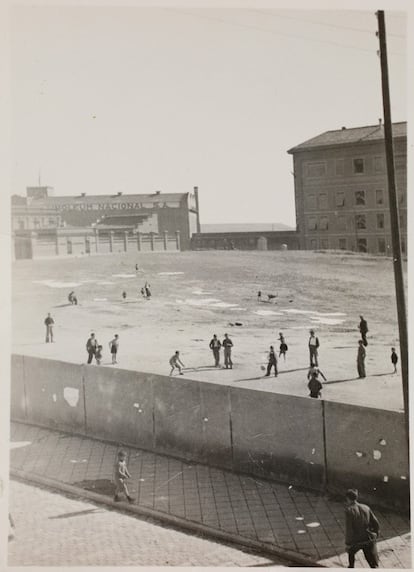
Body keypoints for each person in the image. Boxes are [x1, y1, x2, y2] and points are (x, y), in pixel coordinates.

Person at [345, 488, 380, 568]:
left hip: (357, 540)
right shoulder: (366, 507)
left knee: (351, 552)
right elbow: (375, 522)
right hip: (368, 537)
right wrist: (376, 534)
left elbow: (349, 529)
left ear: (348, 498)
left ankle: (351, 567)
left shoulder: (349, 511)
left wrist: (348, 543)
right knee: (371, 560)